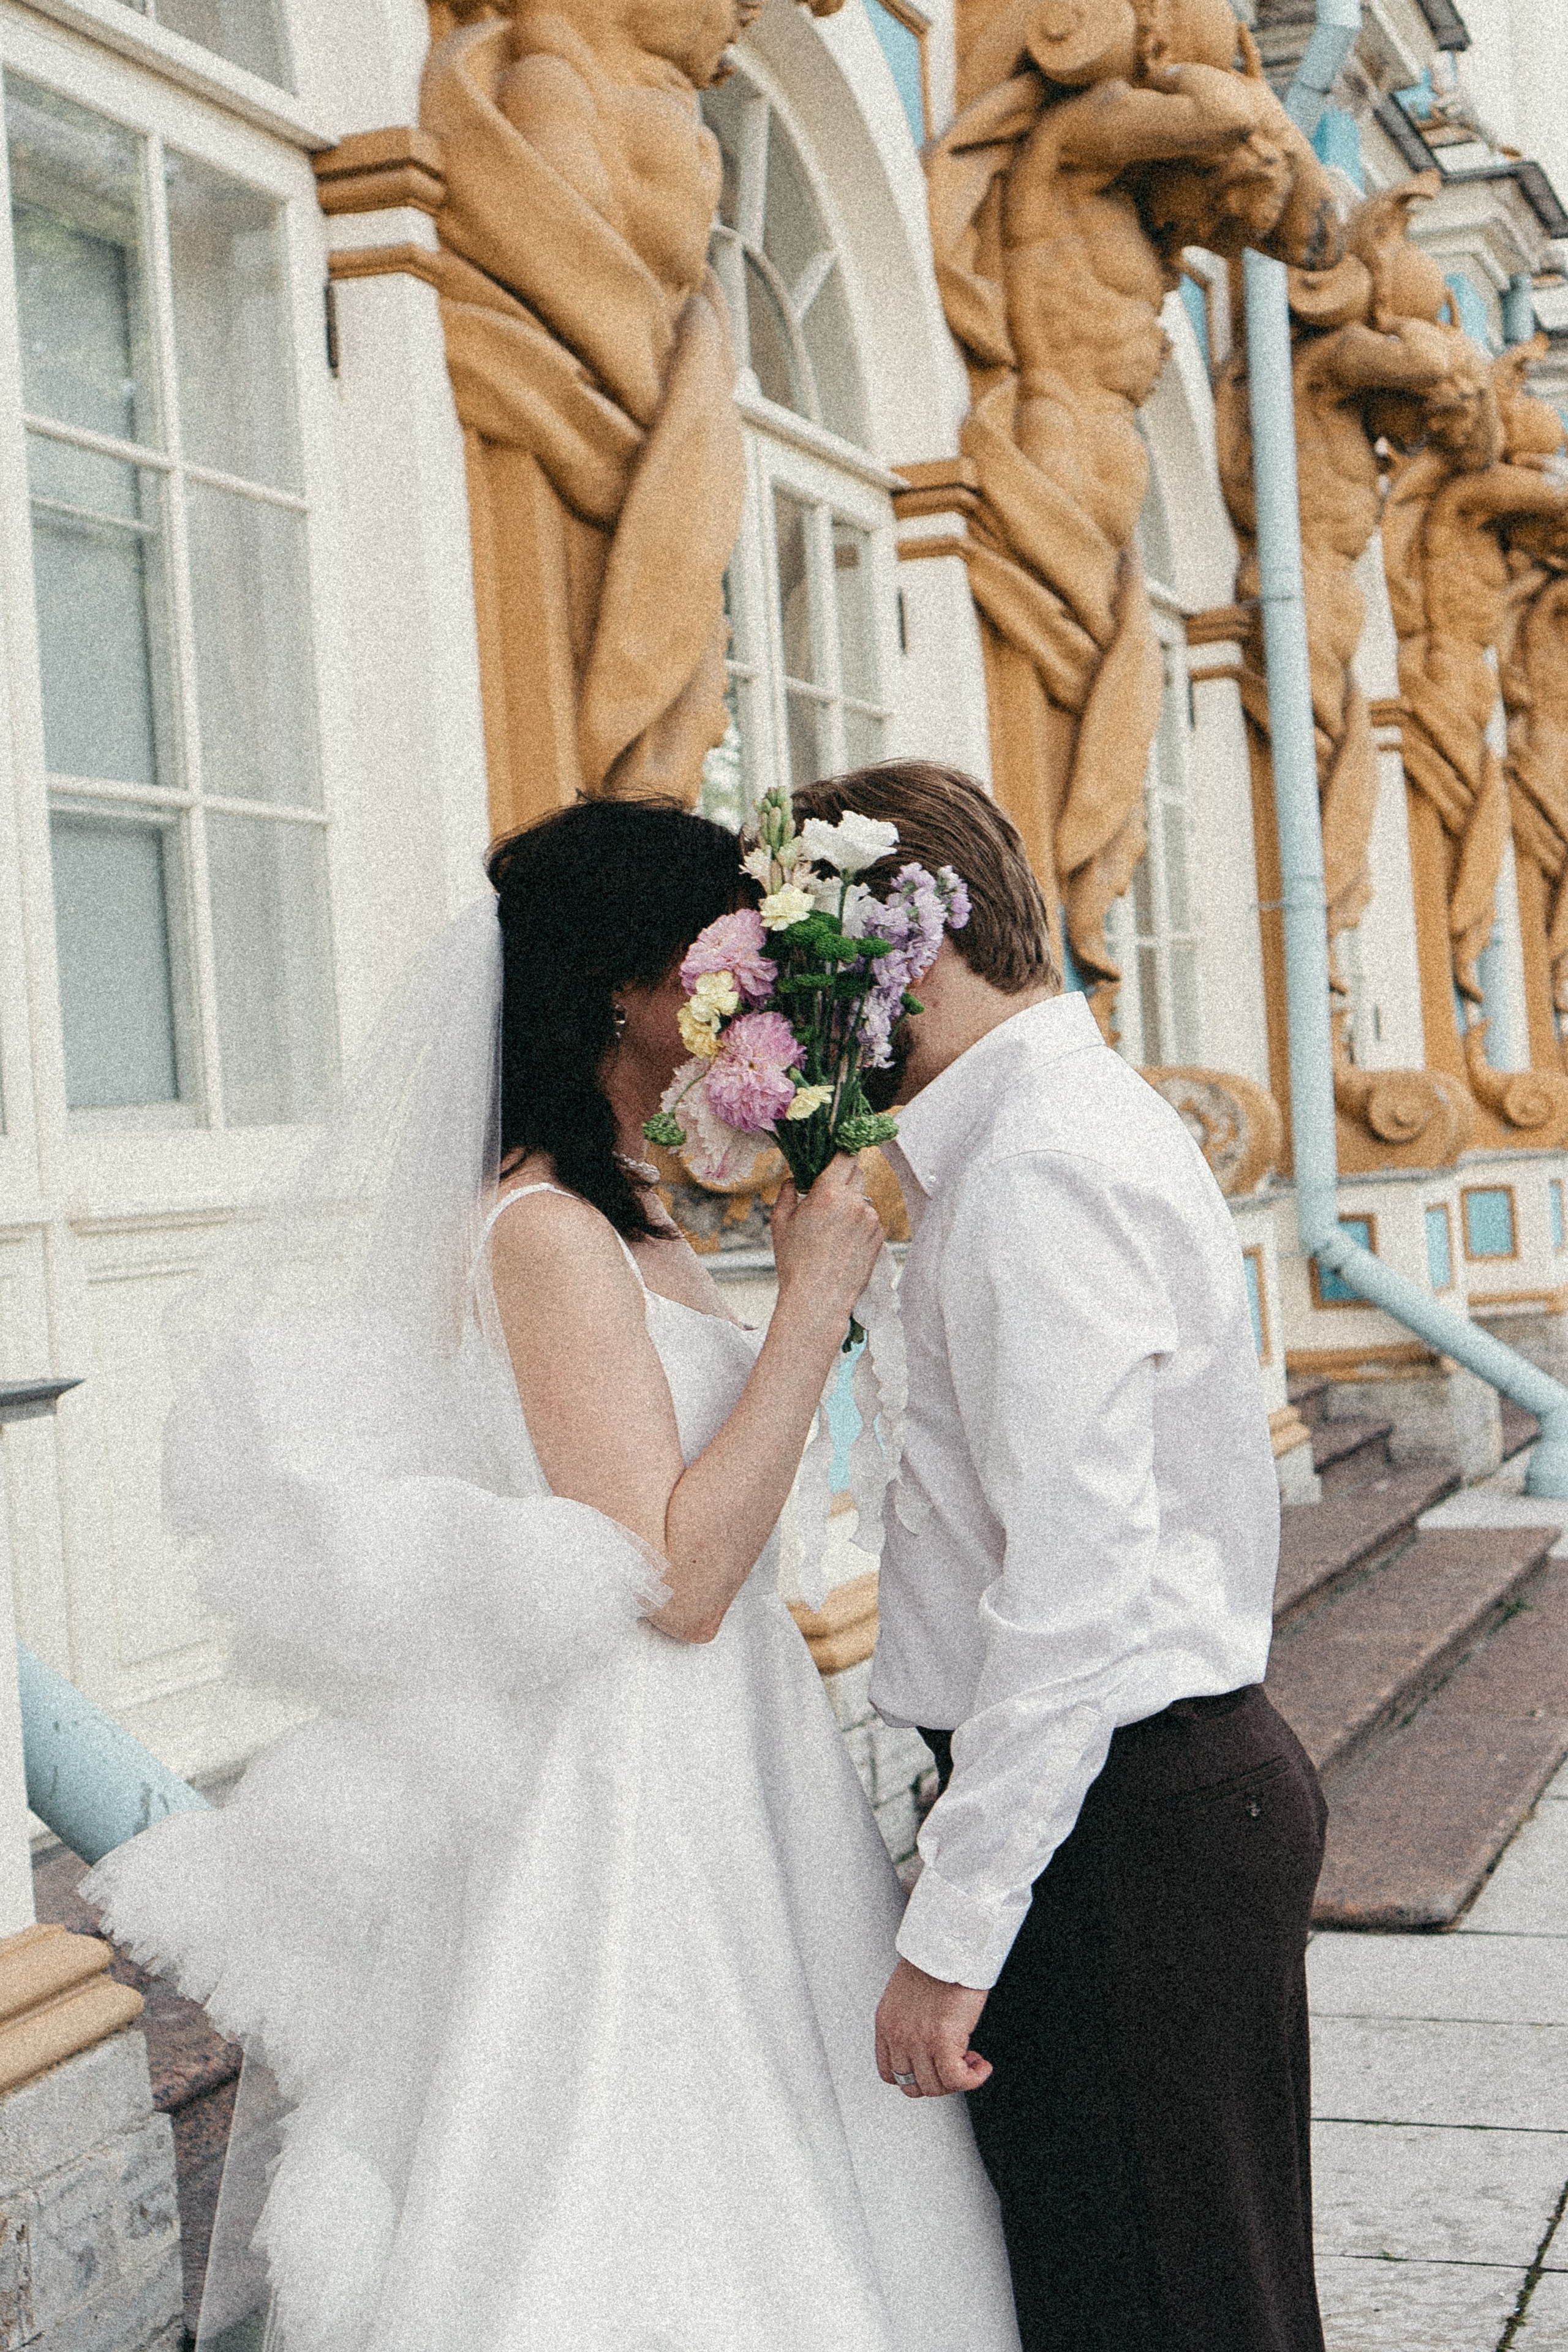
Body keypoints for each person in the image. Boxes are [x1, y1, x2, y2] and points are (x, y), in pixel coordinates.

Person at [85, 797, 1019, 2352]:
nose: (756, 988)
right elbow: (671, 1581)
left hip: (737, 1752)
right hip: (636, 1776)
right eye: (724, 953)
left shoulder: (635, 1211)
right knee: (640, 2183)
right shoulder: (545, 1231)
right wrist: (810, 1304)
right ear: (625, 988)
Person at [793, 761, 1329, 2352]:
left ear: (913, 952)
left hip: (1124, 1826)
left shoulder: (1037, 1167)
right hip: (1134, 1806)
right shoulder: (1036, 1134)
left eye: (810, 978)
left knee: (1167, 2312)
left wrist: (953, 1938)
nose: (801, 1031)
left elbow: (1074, 1595)